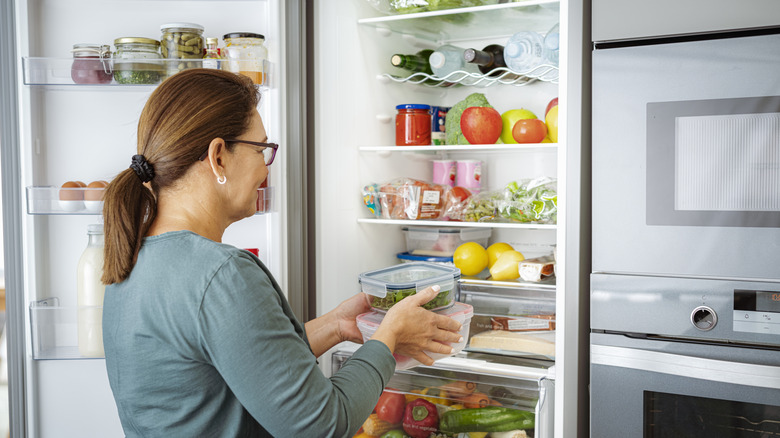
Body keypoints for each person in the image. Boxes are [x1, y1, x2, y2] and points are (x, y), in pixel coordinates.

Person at [100, 68, 463, 437]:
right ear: (218, 157)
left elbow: (239, 370)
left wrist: (334, 326)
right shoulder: (221, 274)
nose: (265, 167)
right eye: (261, 149)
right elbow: (322, 425)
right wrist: (389, 339)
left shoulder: (132, 257)